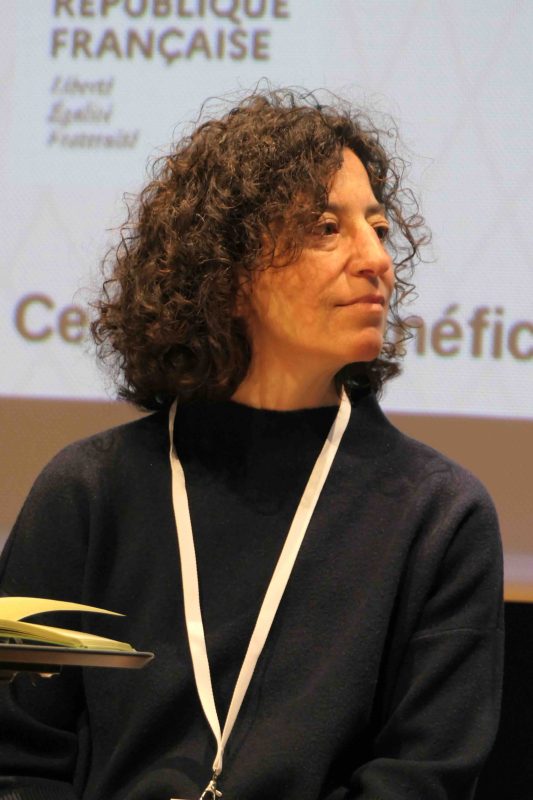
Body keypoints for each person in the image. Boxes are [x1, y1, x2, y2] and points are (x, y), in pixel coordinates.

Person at [0, 88, 503, 800]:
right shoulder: (86, 491)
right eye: (326, 228)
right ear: (225, 273)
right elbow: (16, 762)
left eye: (380, 228)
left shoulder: (440, 516)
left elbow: (423, 779)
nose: (376, 259)